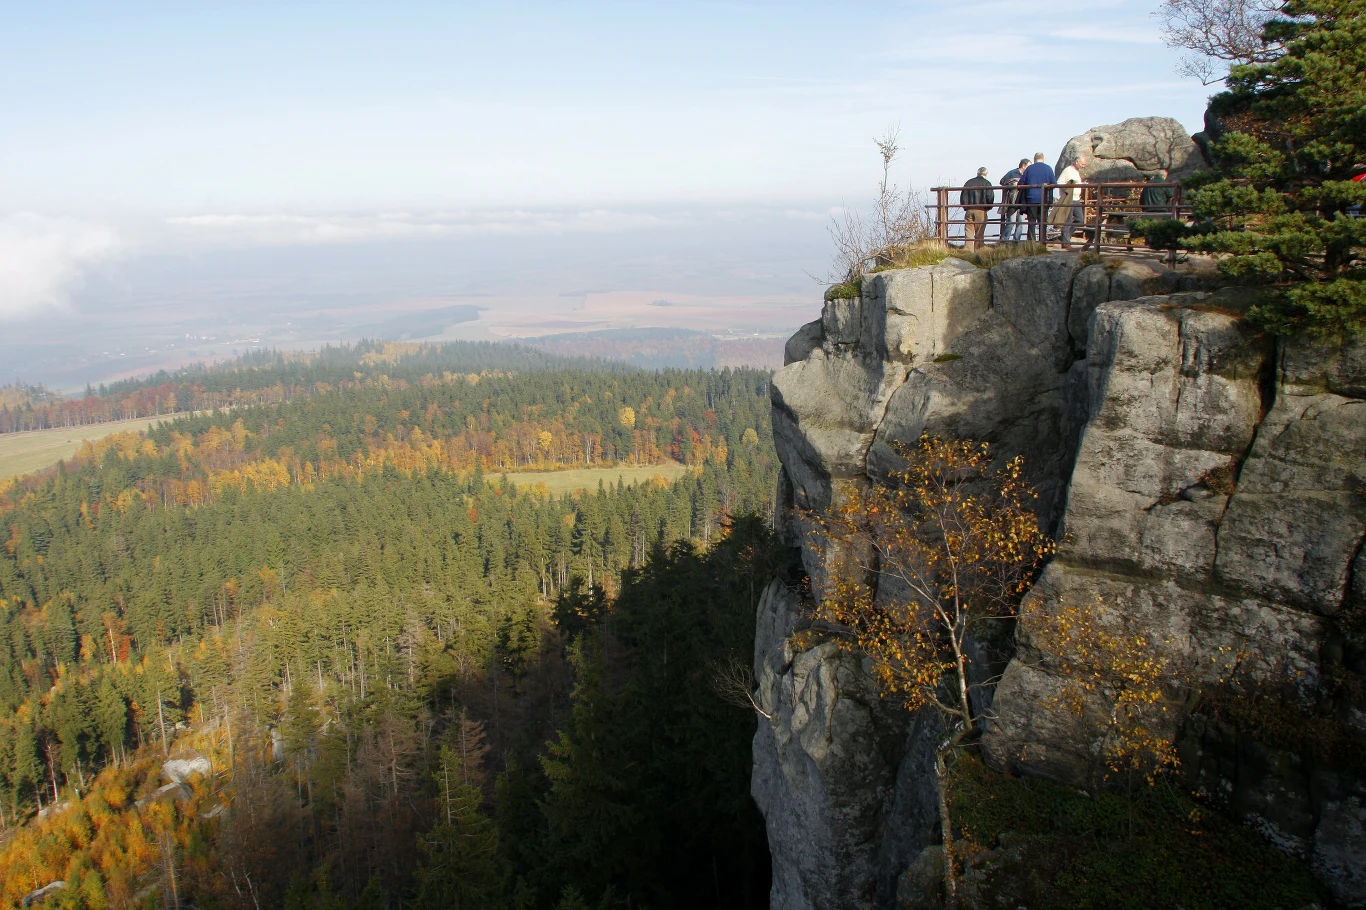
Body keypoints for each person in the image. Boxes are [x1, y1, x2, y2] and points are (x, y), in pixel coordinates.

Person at [1019, 152, 1055, 243]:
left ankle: (1032, 242)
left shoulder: (1029, 169)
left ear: (1034, 159)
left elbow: (1021, 183)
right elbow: (1054, 184)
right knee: (1042, 222)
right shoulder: (1048, 168)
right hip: (1044, 199)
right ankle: (1042, 241)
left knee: (1031, 222)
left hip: (1031, 198)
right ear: (1043, 159)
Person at [1054, 155, 1089, 249]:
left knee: (1080, 220)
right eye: (1082, 164)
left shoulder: (1076, 172)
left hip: (1076, 198)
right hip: (1069, 198)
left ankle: (1065, 237)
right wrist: (1068, 188)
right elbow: (1060, 182)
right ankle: (1065, 242)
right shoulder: (1067, 170)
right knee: (1068, 220)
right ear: (1076, 162)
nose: (1083, 166)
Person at [960, 167, 994, 251]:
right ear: (985, 174)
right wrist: (988, 207)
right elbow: (990, 197)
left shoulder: (968, 182)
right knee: (979, 231)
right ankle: (978, 249)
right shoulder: (987, 183)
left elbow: (963, 196)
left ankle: (968, 249)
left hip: (969, 209)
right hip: (981, 210)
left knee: (969, 230)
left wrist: (966, 207)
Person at [999, 159, 1029, 243]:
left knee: (1020, 223)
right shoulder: (1012, 173)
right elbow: (1002, 181)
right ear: (1024, 165)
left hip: (1021, 201)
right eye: (1028, 166)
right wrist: (1012, 184)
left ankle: (1016, 241)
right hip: (1012, 201)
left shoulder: (1027, 174)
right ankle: (1005, 240)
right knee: (1011, 222)